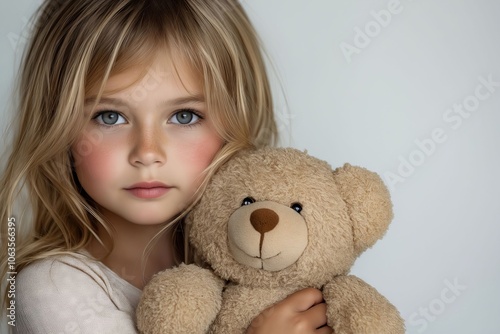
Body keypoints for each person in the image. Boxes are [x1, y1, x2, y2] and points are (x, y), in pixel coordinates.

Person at [0, 0, 332, 333]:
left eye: (184, 116)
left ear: (237, 123)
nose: (147, 152)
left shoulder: (258, 270)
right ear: (58, 128)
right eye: (110, 116)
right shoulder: (52, 290)